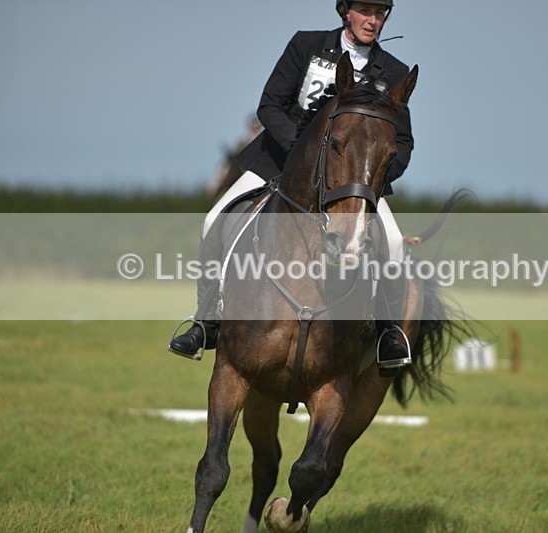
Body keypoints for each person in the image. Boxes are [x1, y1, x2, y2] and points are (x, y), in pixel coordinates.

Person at [169, 0, 414, 371]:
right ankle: (206, 322)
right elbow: (270, 106)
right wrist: (302, 154)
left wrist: (370, 179)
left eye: (380, 13)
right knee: (214, 219)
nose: (373, 20)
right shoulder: (306, 46)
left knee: (393, 243)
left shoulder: (393, 71)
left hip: (352, 182)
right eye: (365, 11)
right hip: (279, 163)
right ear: (346, 11)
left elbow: (404, 142)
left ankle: (387, 332)